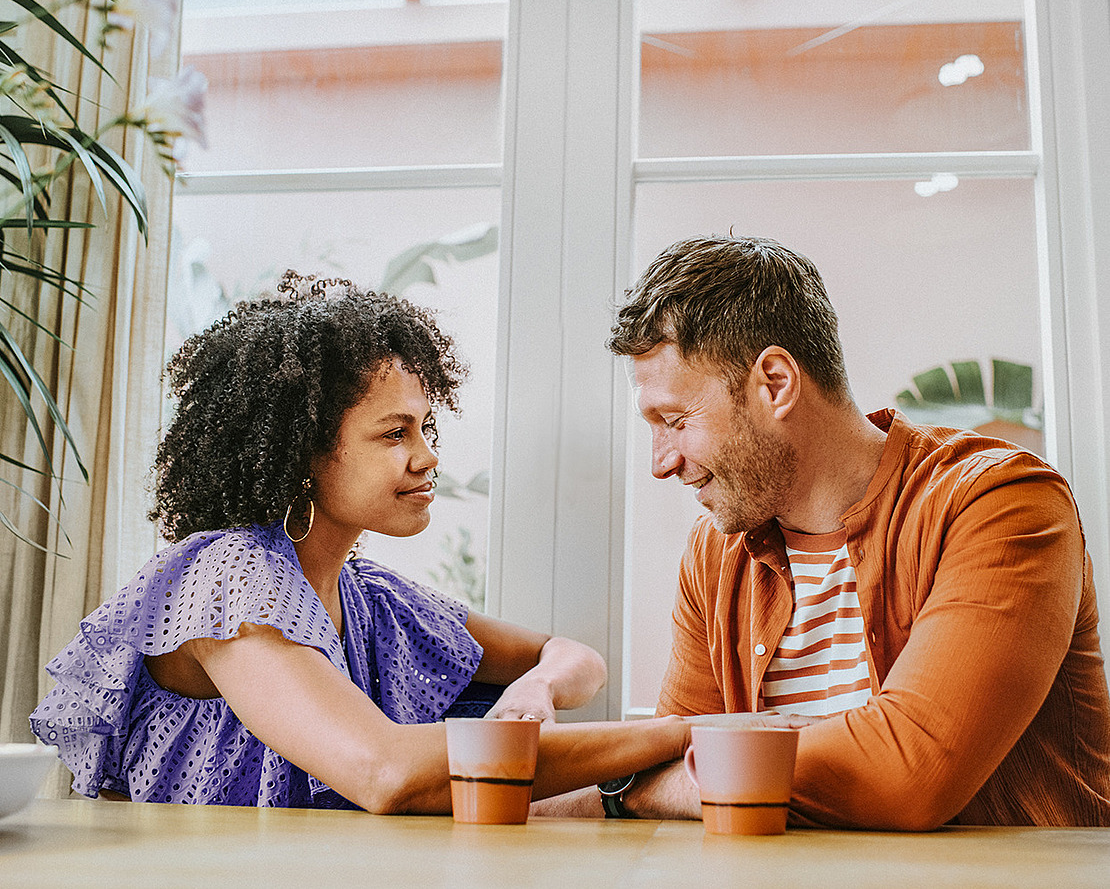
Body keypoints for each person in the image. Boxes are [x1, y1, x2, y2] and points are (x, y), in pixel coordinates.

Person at [30, 272, 688, 812]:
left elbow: (572, 656)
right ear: (302, 452)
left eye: (425, 427)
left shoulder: (370, 598)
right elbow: (386, 772)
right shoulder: (230, 578)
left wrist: (539, 686)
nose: (428, 456)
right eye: (395, 433)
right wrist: (680, 735)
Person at [540, 235, 1110, 829]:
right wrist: (658, 774)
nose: (662, 462)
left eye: (677, 420)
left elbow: (907, 773)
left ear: (776, 383)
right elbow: (666, 757)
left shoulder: (1000, 503)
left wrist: (634, 791)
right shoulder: (716, 551)